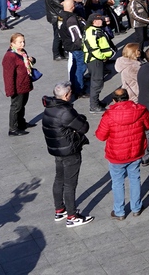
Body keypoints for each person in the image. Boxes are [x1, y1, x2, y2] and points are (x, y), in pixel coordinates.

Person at [95, 88, 149, 219]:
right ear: (128, 97)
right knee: (135, 178)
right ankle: (136, 207)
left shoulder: (109, 115)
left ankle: (119, 211)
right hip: (136, 151)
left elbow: (101, 136)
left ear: (114, 100)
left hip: (116, 155)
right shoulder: (140, 110)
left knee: (117, 182)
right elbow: (148, 125)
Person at [42, 82, 94, 226]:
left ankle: (59, 209)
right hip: (70, 151)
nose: (72, 94)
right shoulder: (65, 111)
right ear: (66, 95)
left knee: (59, 179)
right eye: (70, 92)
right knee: (70, 184)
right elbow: (84, 128)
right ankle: (72, 216)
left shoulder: (49, 108)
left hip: (57, 150)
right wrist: (82, 118)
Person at [3, 32, 36, 136]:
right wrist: (10, 91)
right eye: (20, 42)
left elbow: (27, 64)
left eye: (23, 41)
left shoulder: (22, 52)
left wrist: (32, 60)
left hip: (25, 84)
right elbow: (8, 76)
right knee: (16, 107)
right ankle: (13, 128)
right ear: (12, 43)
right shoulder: (10, 56)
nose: (23, 44)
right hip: (18, 87)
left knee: (22, 105)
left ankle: (21, 123)